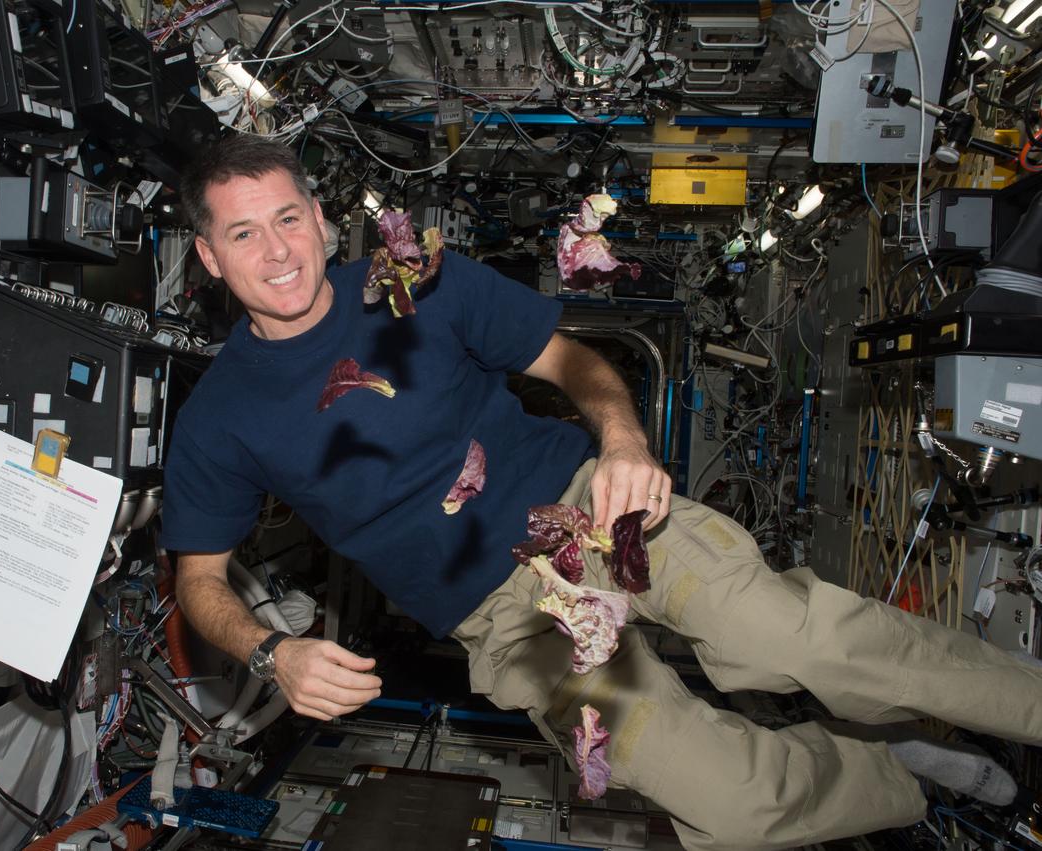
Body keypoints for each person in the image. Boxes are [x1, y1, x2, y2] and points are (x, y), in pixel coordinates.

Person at [162, 135, 1042, 849]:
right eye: (243, 234)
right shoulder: (219, 419)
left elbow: (571, 360)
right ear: (208, 254)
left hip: (587, 507)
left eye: (287, 217)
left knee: (791, 635)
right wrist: (271, 654)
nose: (276, 250)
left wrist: (621, 439)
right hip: (507, 620)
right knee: (731, 805)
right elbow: (199, 580)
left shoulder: (420, 279)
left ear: (319, 218)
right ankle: (896, 769)